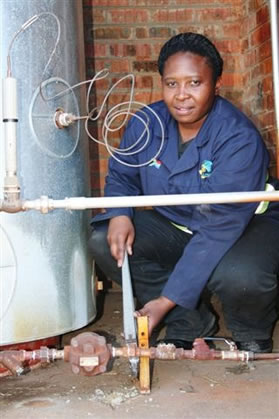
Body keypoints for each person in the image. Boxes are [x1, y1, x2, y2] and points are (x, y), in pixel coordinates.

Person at [89, 32, 279, 353]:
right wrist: (120, 213)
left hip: (244, 225)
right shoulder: (146, 123)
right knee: (105, 238)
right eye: (171, 83)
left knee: (238, 274)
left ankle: (252, 330)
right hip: (181, 226)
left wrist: (162, 301)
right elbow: (122, 174)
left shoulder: (238, 137)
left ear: (216, 85)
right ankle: (189, 322)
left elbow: (219, 225)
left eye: (194, 83)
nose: (181, 95)